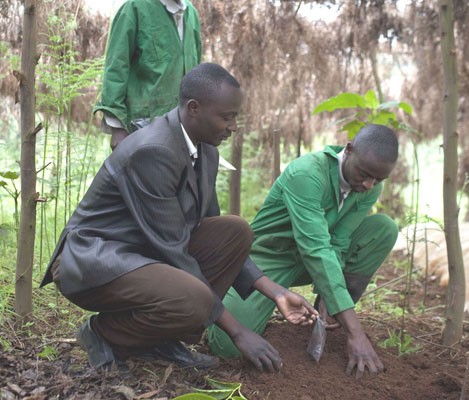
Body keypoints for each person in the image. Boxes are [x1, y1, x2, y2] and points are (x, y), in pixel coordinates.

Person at [41, 63, 317, 374]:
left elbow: (210, 233)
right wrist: (237, 331)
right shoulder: (154, 150)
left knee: (235, 231)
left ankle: (159, 337)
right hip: (95, 259)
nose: (233, 127)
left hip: (141, 253)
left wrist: (277, 291)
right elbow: (174, 249)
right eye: (227, 117)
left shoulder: (205, 152)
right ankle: (102, 332)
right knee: (194, 297)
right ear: (194, 108)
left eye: (235, 117)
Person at [208, 124, 399, 379]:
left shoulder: (369, 186)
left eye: (378, 179)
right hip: (271, 258)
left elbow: (338, 243)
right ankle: (215, 308)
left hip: (313, 258)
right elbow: (317, 249)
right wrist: (357, 332)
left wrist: (328, 297)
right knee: (226, 346)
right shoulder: (308, 174)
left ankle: (332, 313)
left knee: (383, 228)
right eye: (364, 174)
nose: (369, 184)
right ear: (349, 150)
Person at [94, 0, 203, 150]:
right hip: (143, 124)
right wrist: (118, 127)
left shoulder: (191, 14)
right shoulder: (134, 8)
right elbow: (116, 67)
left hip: (184, 126)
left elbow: (196, 69)